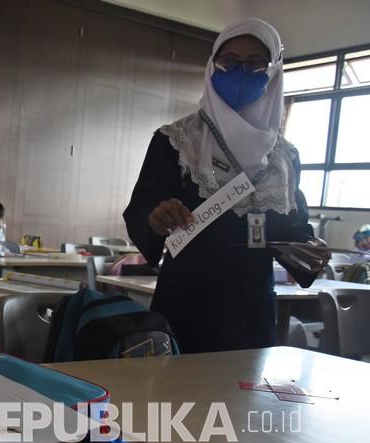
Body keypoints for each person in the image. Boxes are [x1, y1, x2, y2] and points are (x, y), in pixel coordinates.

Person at [123, 18, 329, 354]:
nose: (238, 73)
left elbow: (293, 230)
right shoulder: (177, 142)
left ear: (273, 72)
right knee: (176, 401)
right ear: (212, 65)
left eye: (254, 64)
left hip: (252, 311)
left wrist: (310, 251)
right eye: (228, 62)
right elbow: (141, 209)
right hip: (185, 303)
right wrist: (155, 218)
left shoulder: (284, 157)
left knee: (244, 401)